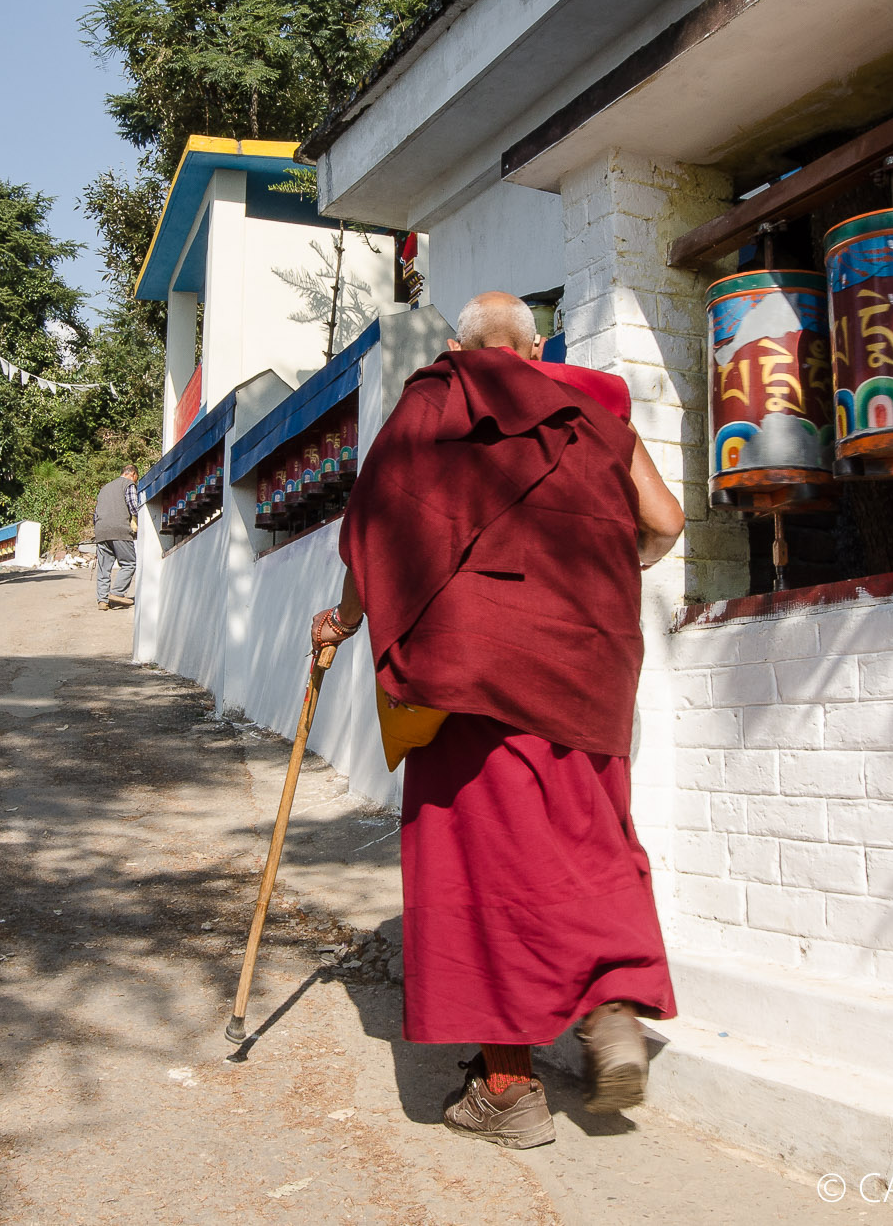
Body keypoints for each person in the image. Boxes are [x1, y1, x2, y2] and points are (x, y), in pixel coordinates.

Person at [313, 291, 686, 1149]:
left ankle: (509, 1089)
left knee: (480, 865)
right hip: (587, 665)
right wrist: (602, 566)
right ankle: (610, 1003)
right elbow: (665, 521)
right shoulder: (593, 412)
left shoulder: (436, 399)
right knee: (588, 837)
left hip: (474, 672)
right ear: (537, 345)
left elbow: (381, 526)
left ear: (460, 348)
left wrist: (345, 620)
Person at [92, 464, 142, 611]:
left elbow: (96, 513)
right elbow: (134, 507)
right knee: (129, 563)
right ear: (133, 474)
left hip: (101, 531)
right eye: (136, 478)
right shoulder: (128, 485)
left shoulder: (104, 488)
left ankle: (103, 601)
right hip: (120, 530)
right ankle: (117, 593)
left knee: (104, 568)